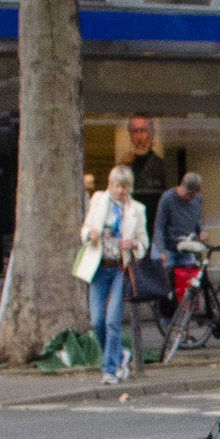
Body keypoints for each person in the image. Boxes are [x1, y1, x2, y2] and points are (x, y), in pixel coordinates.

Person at [79, 157, 146, 389]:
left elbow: (143, 243)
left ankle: (109, 370)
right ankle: (120, 356)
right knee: (97, 320)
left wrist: (134, 245)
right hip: (99, 268)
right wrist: (91, 234)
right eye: (117, 186)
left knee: (112, 321)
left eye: (125, 186)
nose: (120, 191)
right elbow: (85, 230)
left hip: (119, 269)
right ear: (110, 185)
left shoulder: (137, 210)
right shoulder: (98, 201)